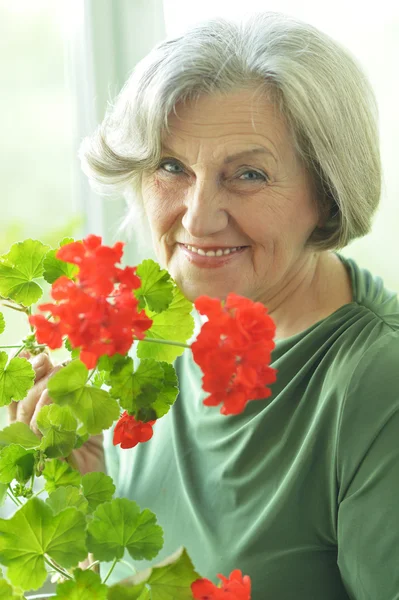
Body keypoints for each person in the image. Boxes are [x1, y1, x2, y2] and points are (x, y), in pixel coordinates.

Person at [10, 11, 399, 599]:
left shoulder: (377, 384)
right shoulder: (144, 340)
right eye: (171, 167)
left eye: (247, 173)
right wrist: (90, 488)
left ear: (326, 192)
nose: (197, 217)